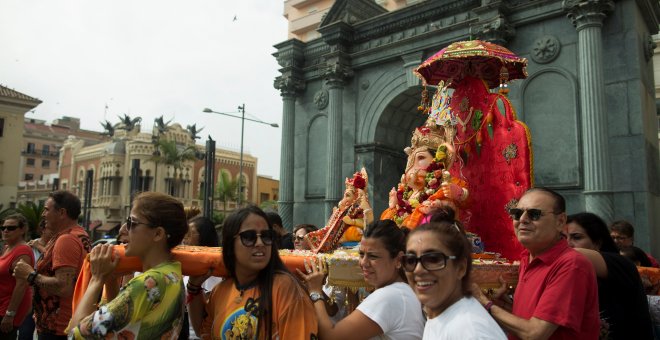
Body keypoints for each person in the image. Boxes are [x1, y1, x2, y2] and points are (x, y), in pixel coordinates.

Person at [472, 187, 600, 339]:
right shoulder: (527, 258)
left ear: (560, 222)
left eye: (534, 214)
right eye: (517, 213)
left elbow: (535, 333)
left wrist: (484, 301)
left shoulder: (571, 265)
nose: (522, 220)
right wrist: (503, 307)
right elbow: (532, 320)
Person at [68, 191, 188, 339]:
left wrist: (97, 279)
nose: (122, 229)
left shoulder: (147, 284)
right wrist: (111, 281)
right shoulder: (173, 274)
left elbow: (75, 334)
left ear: (158, 234)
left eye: (132, 223)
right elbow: (118, 324)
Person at [188, 205, 317, 339]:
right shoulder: (220, 291)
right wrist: (194, 288)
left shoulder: (286, 288)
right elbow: (204, 332)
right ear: (230, 244)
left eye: (267, 236)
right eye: (249, 237)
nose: (260, 243)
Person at [299, 219, 425, 340]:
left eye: (373, 256)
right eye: (361, 254)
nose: (364, 263)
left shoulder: (390, 296)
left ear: (398, 260)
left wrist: (315, 292)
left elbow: (331, 336)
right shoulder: (400, 290)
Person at [405, 208, 505, 339]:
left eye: (433, 259)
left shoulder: (471, 331)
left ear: (461, 268)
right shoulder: (438, 313)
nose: (418, 269)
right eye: (410, 260)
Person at [13, 190, 91, 340]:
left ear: (62, 213)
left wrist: (30, 274)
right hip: (65, 324)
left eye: (47, 209)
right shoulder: (78, 234)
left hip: (58, 327)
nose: (43, 214)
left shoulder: (66, 239)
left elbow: (64, 287)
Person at [566, 212, 653, 339]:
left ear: (598, 243)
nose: (568, 243)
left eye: (577, 237)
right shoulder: (567, 272)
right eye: (562, 237)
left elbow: (572, 256)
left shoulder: (620, 263)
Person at [182, 216, 222, 340]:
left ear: (203, 236)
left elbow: (207, 311)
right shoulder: (190, 267)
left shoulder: (211, 271)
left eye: (190, 233)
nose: (185, 238)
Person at [1, 214, 34, 339]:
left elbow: (21, 285)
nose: (5, 231)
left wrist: (10, 314)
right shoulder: (7, 247)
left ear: (22, 230)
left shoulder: (22, 251)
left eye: (11, 228)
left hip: (7, 308)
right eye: (3, 227)